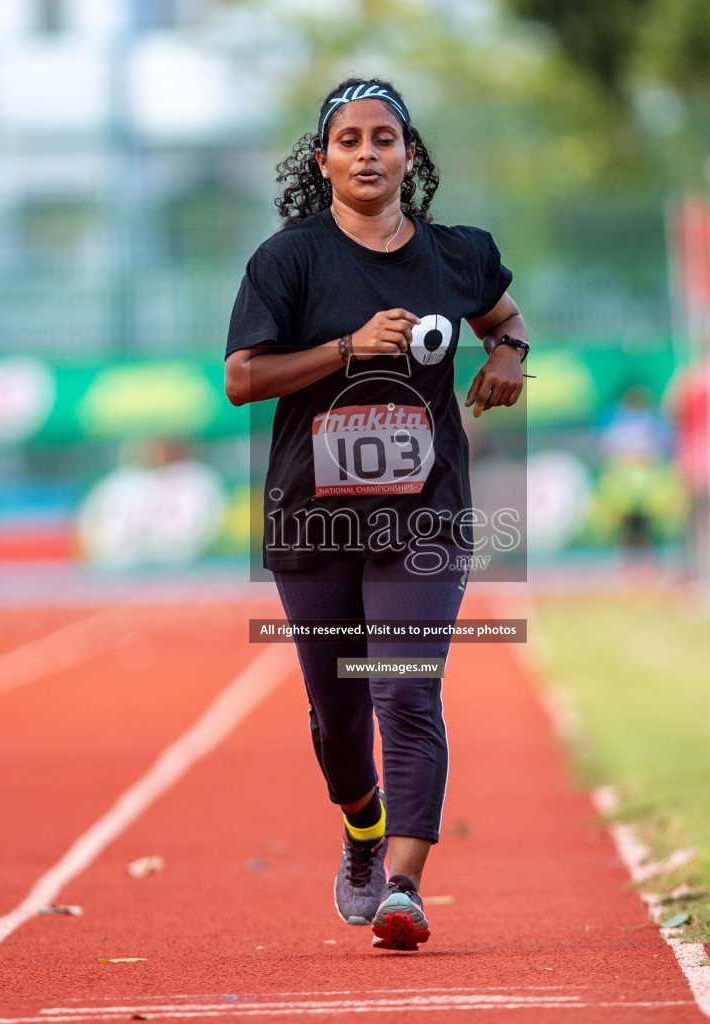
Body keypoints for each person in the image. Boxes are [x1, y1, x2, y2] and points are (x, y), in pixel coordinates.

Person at [223, 78, 528, 951]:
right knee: (339, 710)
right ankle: (361, 829)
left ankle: (403, 886)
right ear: (322, 161)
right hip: (314, 521)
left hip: (423, 518)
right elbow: (242, 379)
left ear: (409, 154)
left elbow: (505, 319)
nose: (367, 153)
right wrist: (345, 350)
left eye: (384, 138)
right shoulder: (288, 262)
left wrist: (509, 353)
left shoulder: (459, 253)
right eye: (349, 139)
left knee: (404, 687)